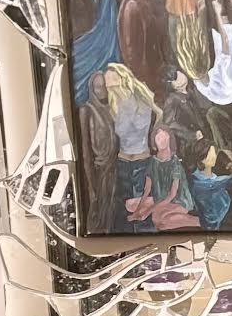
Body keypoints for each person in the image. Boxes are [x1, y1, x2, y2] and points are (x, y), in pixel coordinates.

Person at [124, 125, 201, 231]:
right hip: (159, 198)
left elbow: (172, 195)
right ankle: (160, 212)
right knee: (129, 205)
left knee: (160, 221)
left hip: (177, 202)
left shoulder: (174, 163)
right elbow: (147, 190)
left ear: (169, 138)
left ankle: (197, 221)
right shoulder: (153, 161)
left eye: (163, 137)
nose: (160, 141)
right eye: (158, 138)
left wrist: (147, 212)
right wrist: (138, 211)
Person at [104, 63, 158, 211]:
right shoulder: (115, 104)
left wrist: (127, 102)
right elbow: (120, 132)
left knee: (143, 205)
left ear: (123, 78)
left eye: (112, 78)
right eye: (107, 81)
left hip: (141, 160)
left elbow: (141, 125)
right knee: (127, 205)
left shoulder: (140, 100)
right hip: (123, 161)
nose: (109, 84)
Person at [119, 0, 173, 94]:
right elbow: (131, 48)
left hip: (151, 60)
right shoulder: (133, 5)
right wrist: (140, 74)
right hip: (143, 66)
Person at [78, 69, 119, 232]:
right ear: (91, 89)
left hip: (115, 170)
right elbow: (85, 152)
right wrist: (90, 186)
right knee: (97, 218)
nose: (102, 91)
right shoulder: (86, 110)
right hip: (97, 172)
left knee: (113, 217)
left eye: (105, 86)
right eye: (98, 87)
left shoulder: (112, 108)